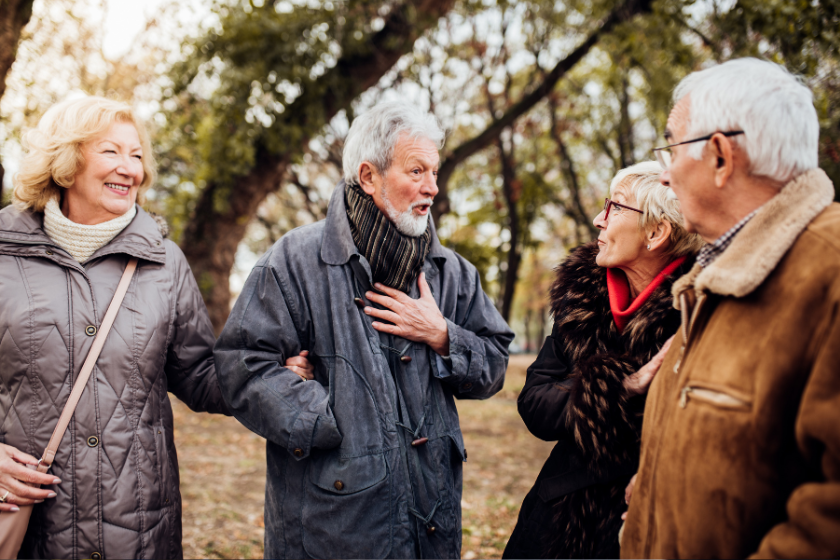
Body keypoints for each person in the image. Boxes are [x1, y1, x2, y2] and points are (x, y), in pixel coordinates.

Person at [0, 95, 304, 559]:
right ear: (65, 162)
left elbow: (200, 377)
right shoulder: (4, 255)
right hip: (30, 527)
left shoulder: (164, 262)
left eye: (137, 155)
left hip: (138, 530)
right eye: (111, 152)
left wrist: (271, 372)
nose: (130, 168)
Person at [214, 101, 514, 559]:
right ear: (369, 176)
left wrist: (443, 335)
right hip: (330, 526)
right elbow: (242, 365)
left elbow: (494, 363)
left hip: (434, 522)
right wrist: (324, 418)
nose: (432, 187)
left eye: (434, 171)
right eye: (416, 171)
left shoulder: (450, 272)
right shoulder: (294, 260)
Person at [620, 58, 840, 558]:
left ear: (720, 156)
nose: (665, 172)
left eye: (671, 148)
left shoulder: (830, 271)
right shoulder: (712, 278)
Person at [502, 161, 702, 559]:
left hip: (651, 526)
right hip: (557, 518)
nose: (598, 219)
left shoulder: (700, 310)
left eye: (614, 207)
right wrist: (621, 385)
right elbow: (534, 404)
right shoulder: (582, 299)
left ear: (656, 232)